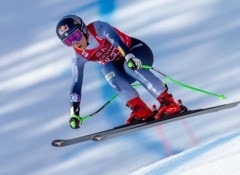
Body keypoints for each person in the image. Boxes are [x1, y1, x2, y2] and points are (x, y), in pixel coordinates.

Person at [56, 15, 184, 129]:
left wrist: (128, 56)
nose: (75, 43)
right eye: (68, 42)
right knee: (106, 70)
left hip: (138, 53)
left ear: (84, 30)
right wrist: (74, 113)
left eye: (76, 36)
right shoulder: (78, 57)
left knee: (129, 66)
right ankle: (140, 109)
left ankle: (168, 102)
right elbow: (76, 85)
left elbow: (116, 40)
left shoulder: (98, 28)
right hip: (124, 68)